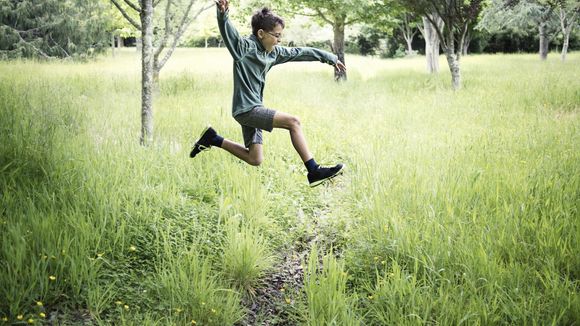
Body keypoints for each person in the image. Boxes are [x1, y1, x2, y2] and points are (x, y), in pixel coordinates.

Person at [190, 0, 346, 187]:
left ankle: (213, 139)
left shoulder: (273, 53)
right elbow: (228, 32)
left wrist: (330, 58)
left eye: (281, 36)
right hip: (246, 110)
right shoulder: (244, 49)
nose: (279, 40)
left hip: (255, 109)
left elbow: (300, 52)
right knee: (293, 122)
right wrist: (223, 13)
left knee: (255, 158)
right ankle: (313, 170)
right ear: (261, 33)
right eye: (276, 36)